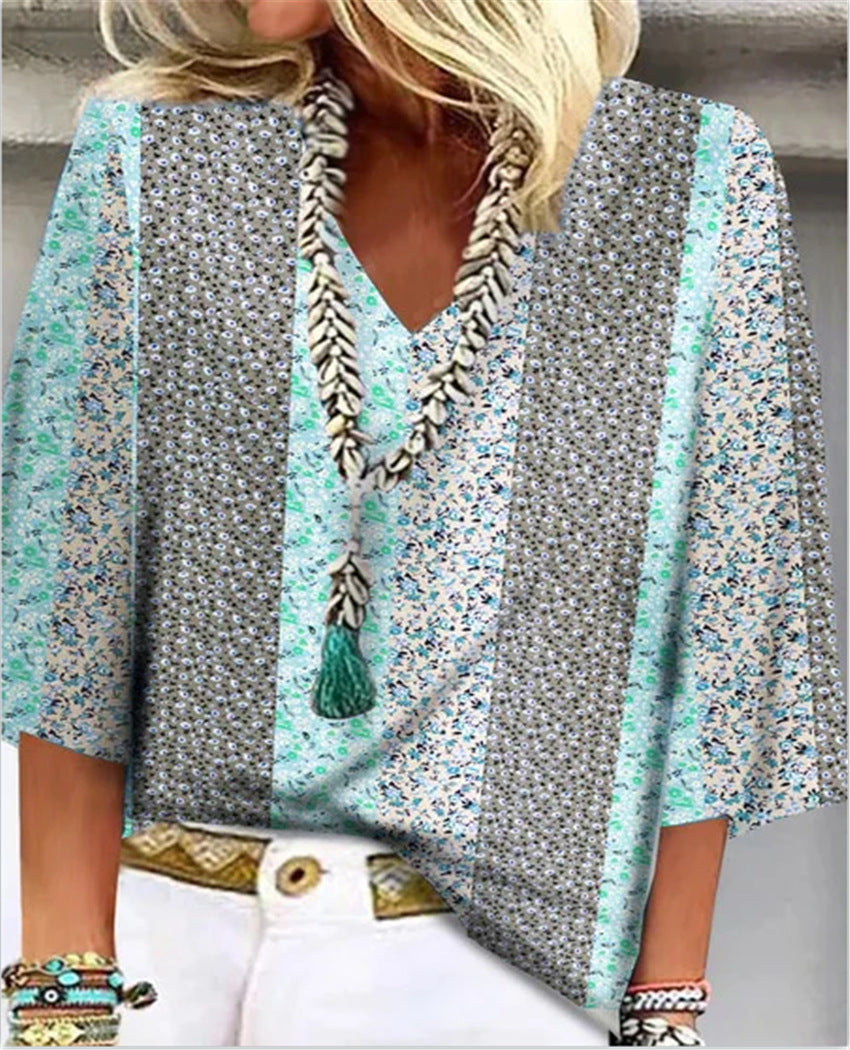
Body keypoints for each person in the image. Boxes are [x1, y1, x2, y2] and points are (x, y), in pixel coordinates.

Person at [0, 0, 845, 1046]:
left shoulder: (689, 180)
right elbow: (69, 613)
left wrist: (664, 1013)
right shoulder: (157, 157)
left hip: (486, 979)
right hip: (152, 949)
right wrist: (61, 1003)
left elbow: (722, 624)